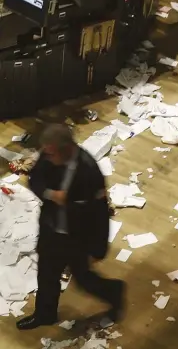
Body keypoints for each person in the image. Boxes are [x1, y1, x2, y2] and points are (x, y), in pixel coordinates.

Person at [17, 124, 125, 331]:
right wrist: (50, 194)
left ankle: (114, 291)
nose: (47, 157)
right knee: (47, 274)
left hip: (77, 237)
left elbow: (99, 213)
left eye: (51, 153)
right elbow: (35, 180)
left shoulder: (89, 171)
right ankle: (45, 314)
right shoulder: (48, 155)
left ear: (66, 149)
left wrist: (98, 248)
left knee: (84, 279)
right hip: (51, 228)